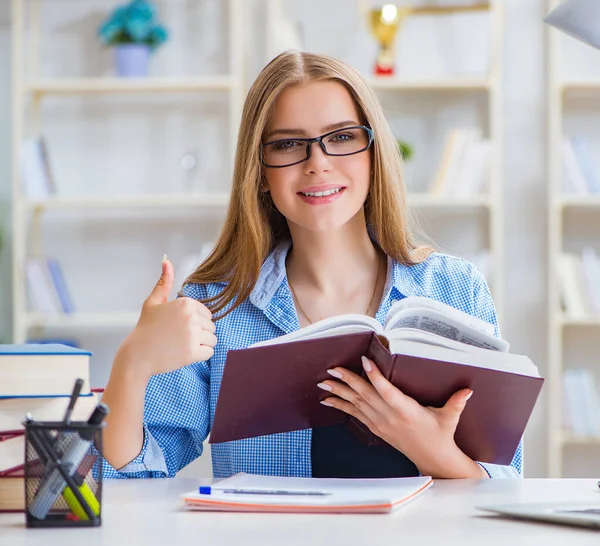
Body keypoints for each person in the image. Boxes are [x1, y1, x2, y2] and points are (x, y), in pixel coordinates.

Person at [100, 50, 521, 480]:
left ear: (373, 154)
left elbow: (504, 483)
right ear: (260, 171)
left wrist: (428, 447)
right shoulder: (216, 305)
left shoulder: (455, 288)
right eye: (287, 144)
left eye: (341, 137)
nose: (317, 162)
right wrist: (132, 362)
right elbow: (130, 478)